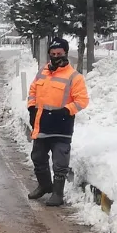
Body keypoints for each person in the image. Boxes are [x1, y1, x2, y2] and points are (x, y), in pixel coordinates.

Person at [27, 38, 90, 206]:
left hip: (61, 126)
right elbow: (33, 91)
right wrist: (31, 108)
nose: (55, 56)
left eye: (59, 54)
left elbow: (82, 100)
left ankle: (57, 193)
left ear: (65, 53)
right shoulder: (42, 72)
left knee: (59, 162)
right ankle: (44, 185)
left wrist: (66, 111)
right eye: (53, 54)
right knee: (38, 157)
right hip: (41, 124)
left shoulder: (73, 77)